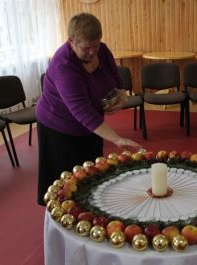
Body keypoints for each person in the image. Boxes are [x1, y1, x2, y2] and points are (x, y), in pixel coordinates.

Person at [36, 12, 141, 206]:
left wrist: (121, 93)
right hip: (59, 127)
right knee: (67, 183)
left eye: (96, 45)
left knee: (92, 171)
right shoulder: (64, 66)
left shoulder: (101, 50)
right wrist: (117, 139)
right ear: (71, 42)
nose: (93, 52)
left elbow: (114, 74)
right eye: (86, 48)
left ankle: (90, 206)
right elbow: (82, 112)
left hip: (91, 123)